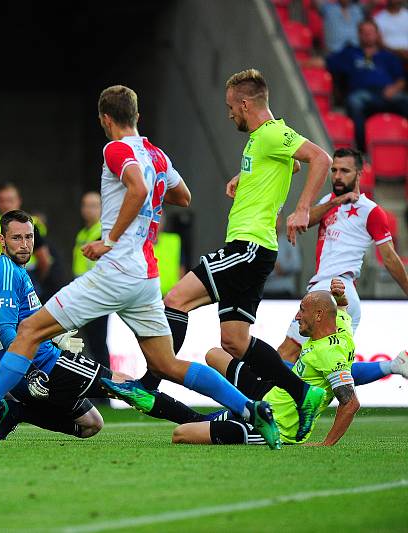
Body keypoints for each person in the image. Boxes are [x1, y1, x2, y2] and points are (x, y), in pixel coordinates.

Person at [0, 85, 283, 449]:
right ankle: (250, 407)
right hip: (146, 277)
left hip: (116, 270)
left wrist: (109, 239)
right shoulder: (157, 155)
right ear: (138, 117)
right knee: (166, 364)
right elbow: (183, 196)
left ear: (105, 119)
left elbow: (138, 187)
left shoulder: (115, 148)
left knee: (29, 331)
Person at [160, 68, 332, 443]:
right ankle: (302, 395)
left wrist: (302, 208)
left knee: (175, 299)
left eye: (230, 107)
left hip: (248, 246)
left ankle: (151, 379)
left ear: (245, 103)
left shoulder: (271, 133)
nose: (228, 114)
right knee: (234, 342)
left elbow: (320, 158)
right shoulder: (260, 140)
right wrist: (247, 177)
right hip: (255, 250)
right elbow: (295, 162)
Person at [0, 210, 211, 440]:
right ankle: (201, 422)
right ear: (2, 240)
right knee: (129, 387)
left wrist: (54, 338)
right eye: (16, 238)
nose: (24, 244)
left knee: (90, 424)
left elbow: (24, 325)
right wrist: (30, 371)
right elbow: (6, 330)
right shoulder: (6, 273)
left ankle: (15, 412)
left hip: (29, 373)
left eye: (29, 237)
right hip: (43, 368)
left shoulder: (16, 271)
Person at [172, 279, 359, 446]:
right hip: (268, 394)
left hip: (277, 425)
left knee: (181, 434)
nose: (297, 317)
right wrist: (340, 297)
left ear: (319, 315)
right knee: (214, 355)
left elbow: (350, 403)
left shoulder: (331, 354)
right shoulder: (341, 325)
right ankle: (239, 410)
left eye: (302, 310)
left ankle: (234, 416)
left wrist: (327, 444)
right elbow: (341, 309)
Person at [277, 147, 408, 362]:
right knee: (322, 367)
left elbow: (390, 258)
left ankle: (261, 395)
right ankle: (391, 367)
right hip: (340, 296)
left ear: (359, 173)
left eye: (345, 171)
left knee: (287, 353)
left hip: (332, 287)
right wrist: (335, 202)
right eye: (334, 170)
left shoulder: (370, 210)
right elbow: (303, 221)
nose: (337, 176)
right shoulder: (328, 201)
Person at [325, 21, 408, 150]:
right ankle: (362, 148)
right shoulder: (350, 53)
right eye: (364, 32)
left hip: (387, 93)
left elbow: (401, 79)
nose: (367, 35)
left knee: (405, 100)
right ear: (358, 35)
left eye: (371, 32)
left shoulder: (388, 56)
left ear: (377, 34)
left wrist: (394, 88)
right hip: (362, 94)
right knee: (354, 102)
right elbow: (325, 62)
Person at [0, 183, 52, 291]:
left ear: (19, 201)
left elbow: (44, 259)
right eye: (2, 200)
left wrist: (36, 280)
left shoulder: (29, 224)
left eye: (10, 200)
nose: (6, 205)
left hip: (24, 278)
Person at [72, 191, 109, 372]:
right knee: (90, 344)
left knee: (99, 343)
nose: (88, 210)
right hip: (83, 291)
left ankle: (107, 389)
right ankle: (97, 386)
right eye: (85, 205)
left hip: (97, 292)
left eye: (94, 205)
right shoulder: (83, 233)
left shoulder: (103, 231)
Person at [262, 216, 302, 299]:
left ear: (282, 220)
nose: (275, 221)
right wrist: (281, 267)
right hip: (265, 291)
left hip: (286, 291)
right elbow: (258, 268)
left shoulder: (290, 240)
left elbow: (296, 265)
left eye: (278, 218)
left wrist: (271, 264)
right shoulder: (261, 242)